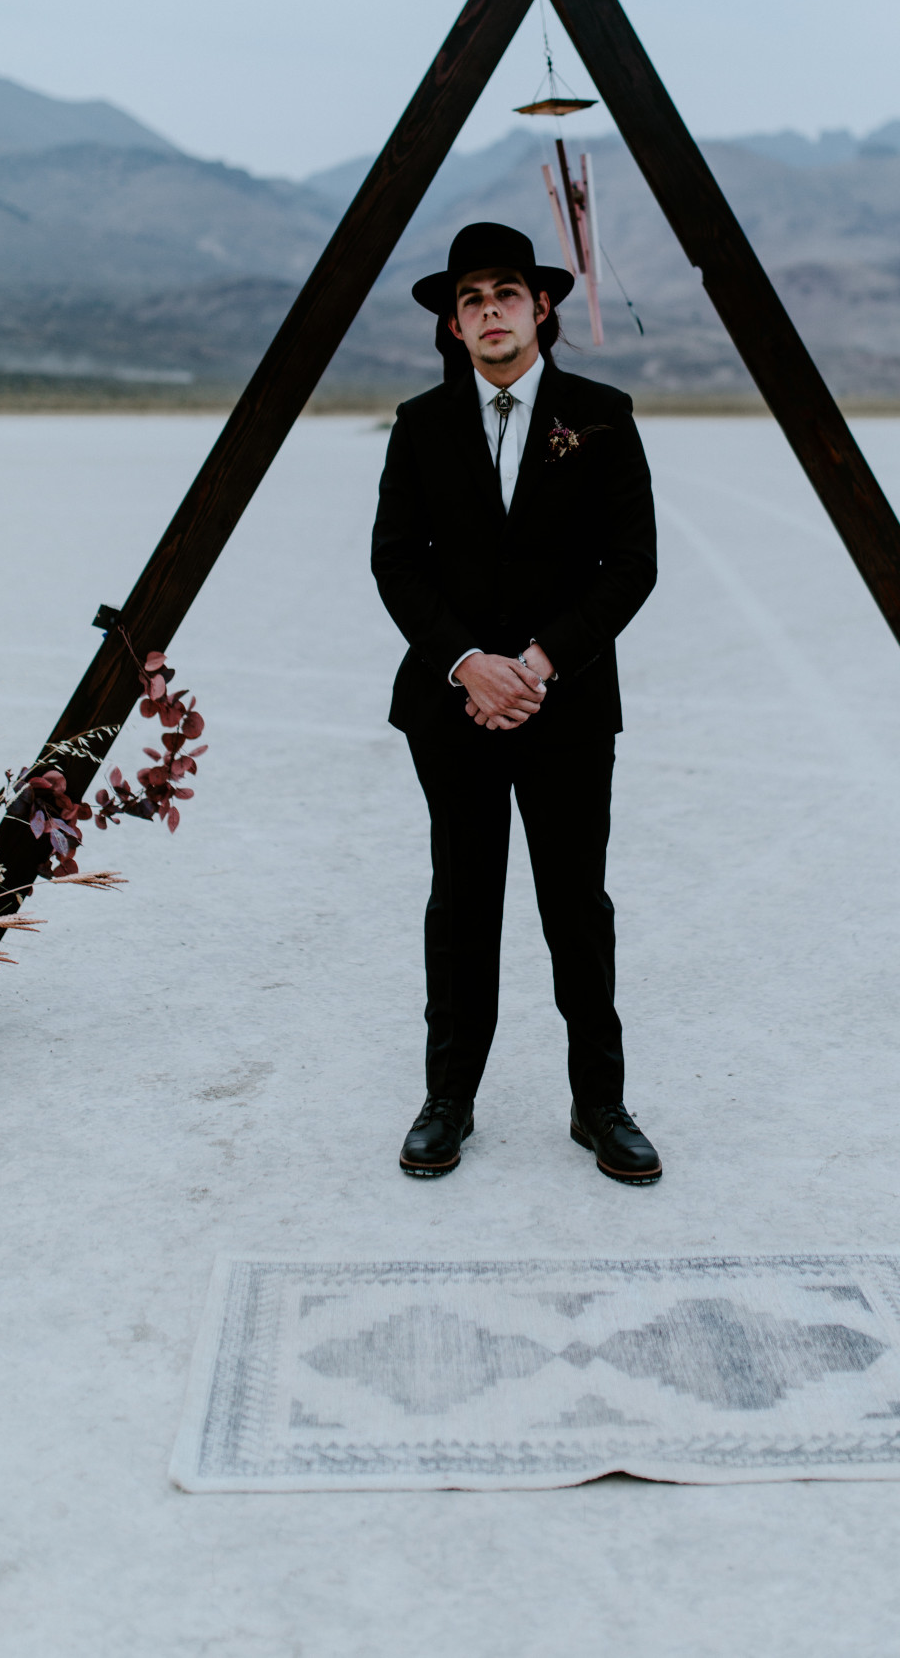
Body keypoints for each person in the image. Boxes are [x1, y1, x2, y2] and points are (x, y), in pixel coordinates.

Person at [371, 220, 661, 1185]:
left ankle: (600, 1103)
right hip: (452, 708)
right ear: (454, 328)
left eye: (504, 293)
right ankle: (447, 1099)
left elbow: (632, 567)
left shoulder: (604, 413)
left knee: (575, 902)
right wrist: (467, 663)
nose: (488, 311)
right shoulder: (420, 426)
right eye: (469, 300)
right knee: (463, 902)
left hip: (566, 705)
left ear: (541, 308)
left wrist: (534, 663)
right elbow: (395, 564)